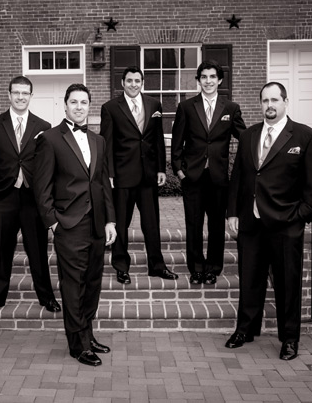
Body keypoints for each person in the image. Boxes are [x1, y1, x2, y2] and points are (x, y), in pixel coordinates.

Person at [225, 82, 312, 360]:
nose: (270, 105)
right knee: (250, 280)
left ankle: (289, 339)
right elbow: (239, 177)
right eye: (265, 100)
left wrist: (300, 216)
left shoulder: (306, 137)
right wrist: (233, 212)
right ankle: (245, 329)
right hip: (251, 223)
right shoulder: (248, 136)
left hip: (286, 224)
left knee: (287, 285)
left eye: (275, 100)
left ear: (285, 102)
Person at [33, 84, 116, 367]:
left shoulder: (99, 140)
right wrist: (53, 222)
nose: (79, 107)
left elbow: (103, 183)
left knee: (92, 283)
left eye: (84, 102)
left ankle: (88, 334)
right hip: (69, 224)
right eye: (74, 102)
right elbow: (41, 187)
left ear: (89, 106)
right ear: (65, 105)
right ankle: (77, 345)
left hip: (96, 224)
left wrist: (110, 220)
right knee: (73, 286)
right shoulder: (50, 139)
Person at [0, 76, 61, 315]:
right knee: (2, 251)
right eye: (16, 93)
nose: (21, 97)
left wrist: (47, 198)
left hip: (33, 200)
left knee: (38, 251)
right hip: (3, 198)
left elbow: (48, 166)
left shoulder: (43, 126)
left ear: (31, 96)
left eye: (25, 93)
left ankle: (47, 298)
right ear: (9, 94)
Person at [100, 66, 177, 284]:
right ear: (122, 83)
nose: (134, 84)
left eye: (137, 80)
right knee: (121, 224)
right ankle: (121, 266)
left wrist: (161, 168)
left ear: (142, 82)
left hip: (148, 175)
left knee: (152, 223)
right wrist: (110, 174)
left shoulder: (154, 104)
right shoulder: (111, 108)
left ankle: (157, 266)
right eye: (130, 80)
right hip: (123, 176)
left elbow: (158, 139)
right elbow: (107, 144)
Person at [171, 60, 246, 285]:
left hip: (218, 177)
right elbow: (177, 143)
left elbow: (245, 138)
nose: (208, 81)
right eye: (204, 77)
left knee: (216, 225)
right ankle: (196, 268)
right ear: (198, 80)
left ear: (219, 80)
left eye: (212, 77)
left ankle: (213, 267)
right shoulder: (186, 107)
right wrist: (179, 170)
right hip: (193, 176)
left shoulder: (230, 109)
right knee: (193, 224)